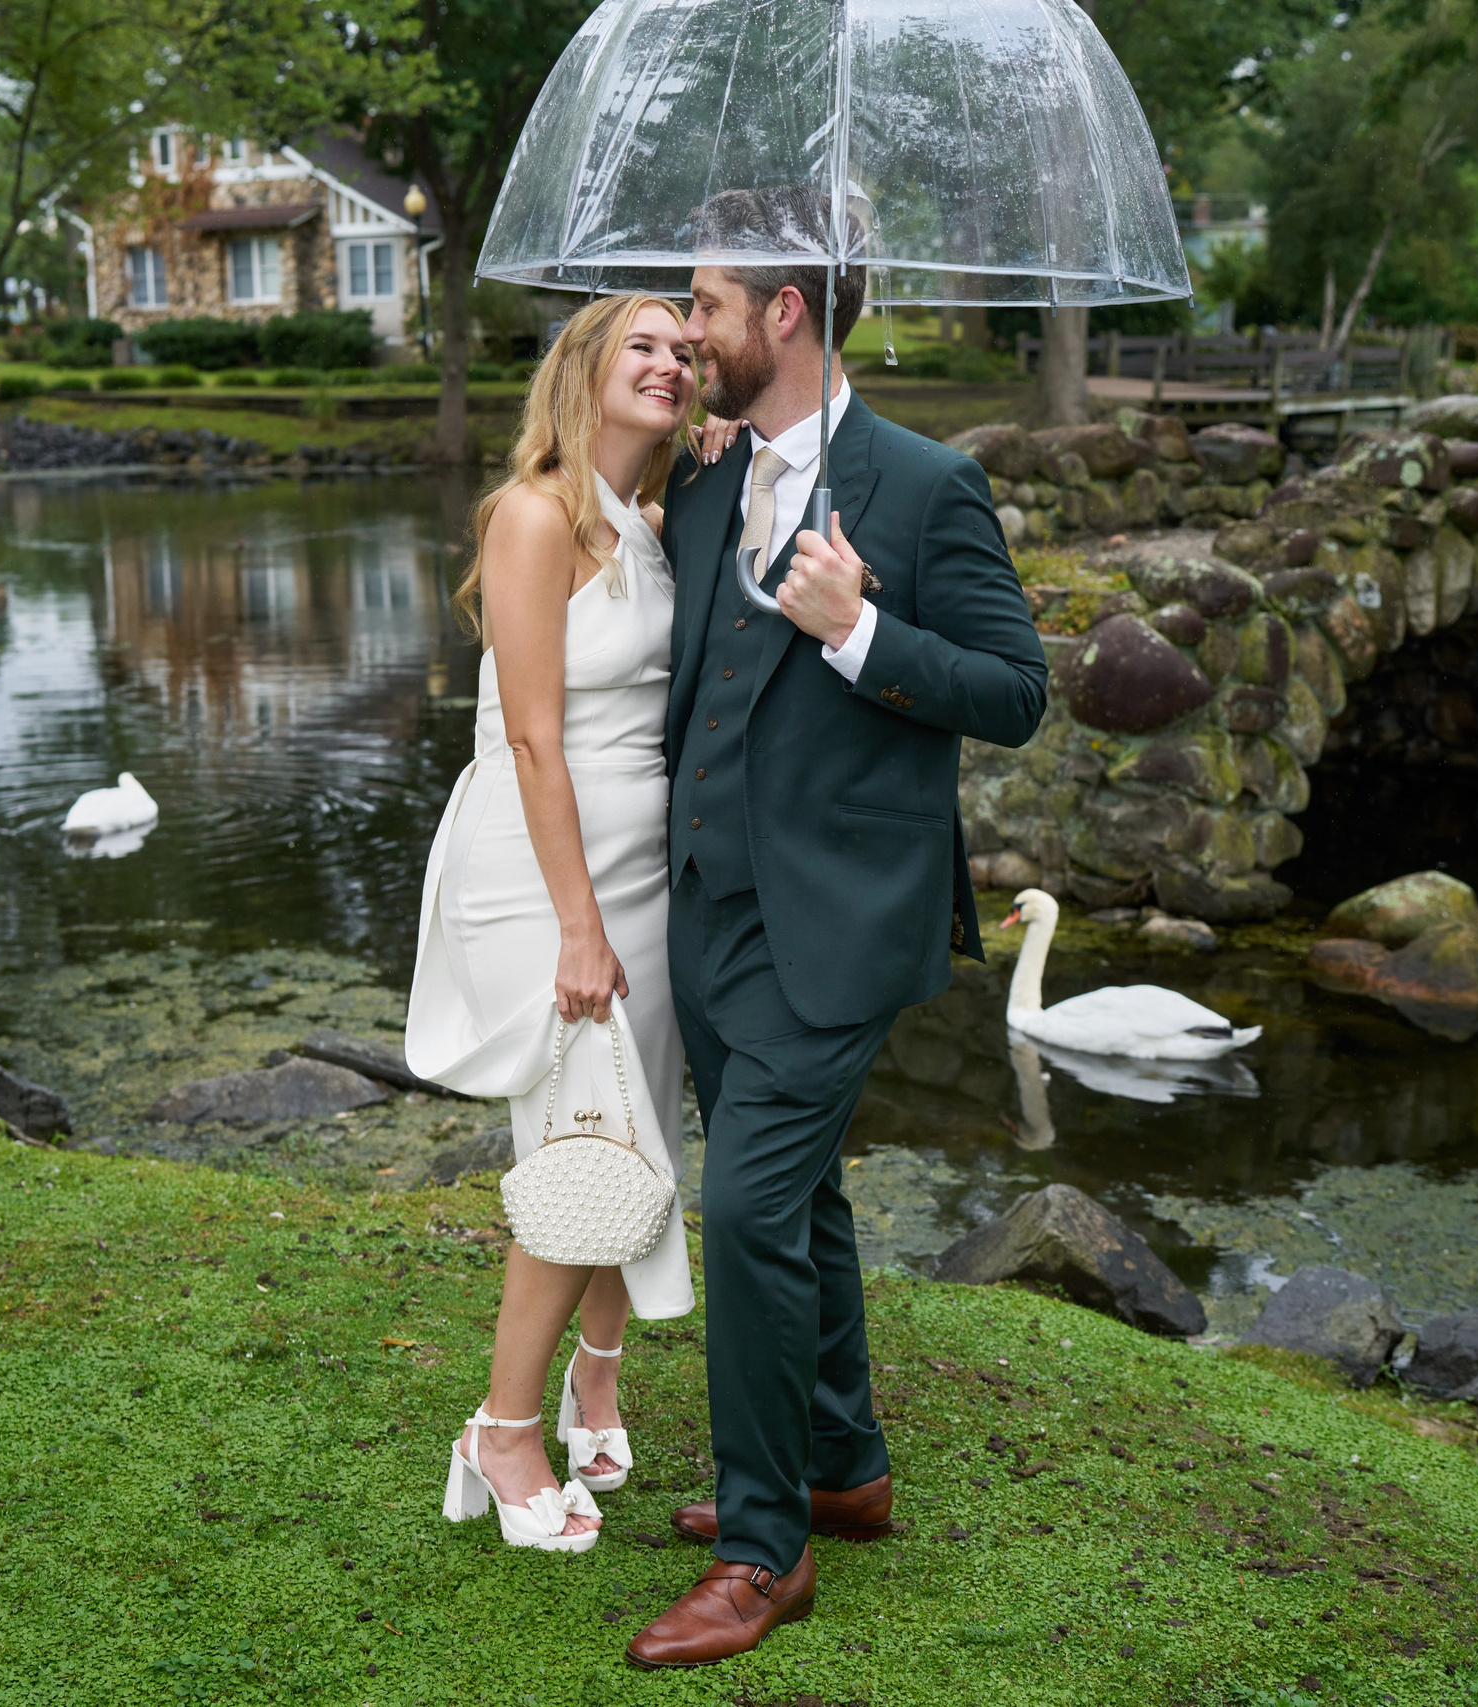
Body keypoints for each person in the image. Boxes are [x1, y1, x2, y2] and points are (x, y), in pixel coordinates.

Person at [625, 191, 1049, 1667]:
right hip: (709, 920)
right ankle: (845, 1466)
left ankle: (766, 1550)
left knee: (743, 1209)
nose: (689, 327)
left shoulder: (927, 486)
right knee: (797, 1204)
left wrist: (860, 629)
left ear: (784, 315)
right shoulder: (705, 477)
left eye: (708, 304)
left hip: (839, 926)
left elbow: (1014, 689)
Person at [404, 293, 701, 1554]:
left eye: (688, 349)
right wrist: (579, 927)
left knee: (634, 1131)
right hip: (545, 871)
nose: (673, 361)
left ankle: (597, 1375)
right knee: (581, 1149)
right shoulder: (534, 517)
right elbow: (531, 738)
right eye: (643, 343)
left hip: (645, 866)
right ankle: (501, 1430)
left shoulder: (648, 521)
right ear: (582, 367)